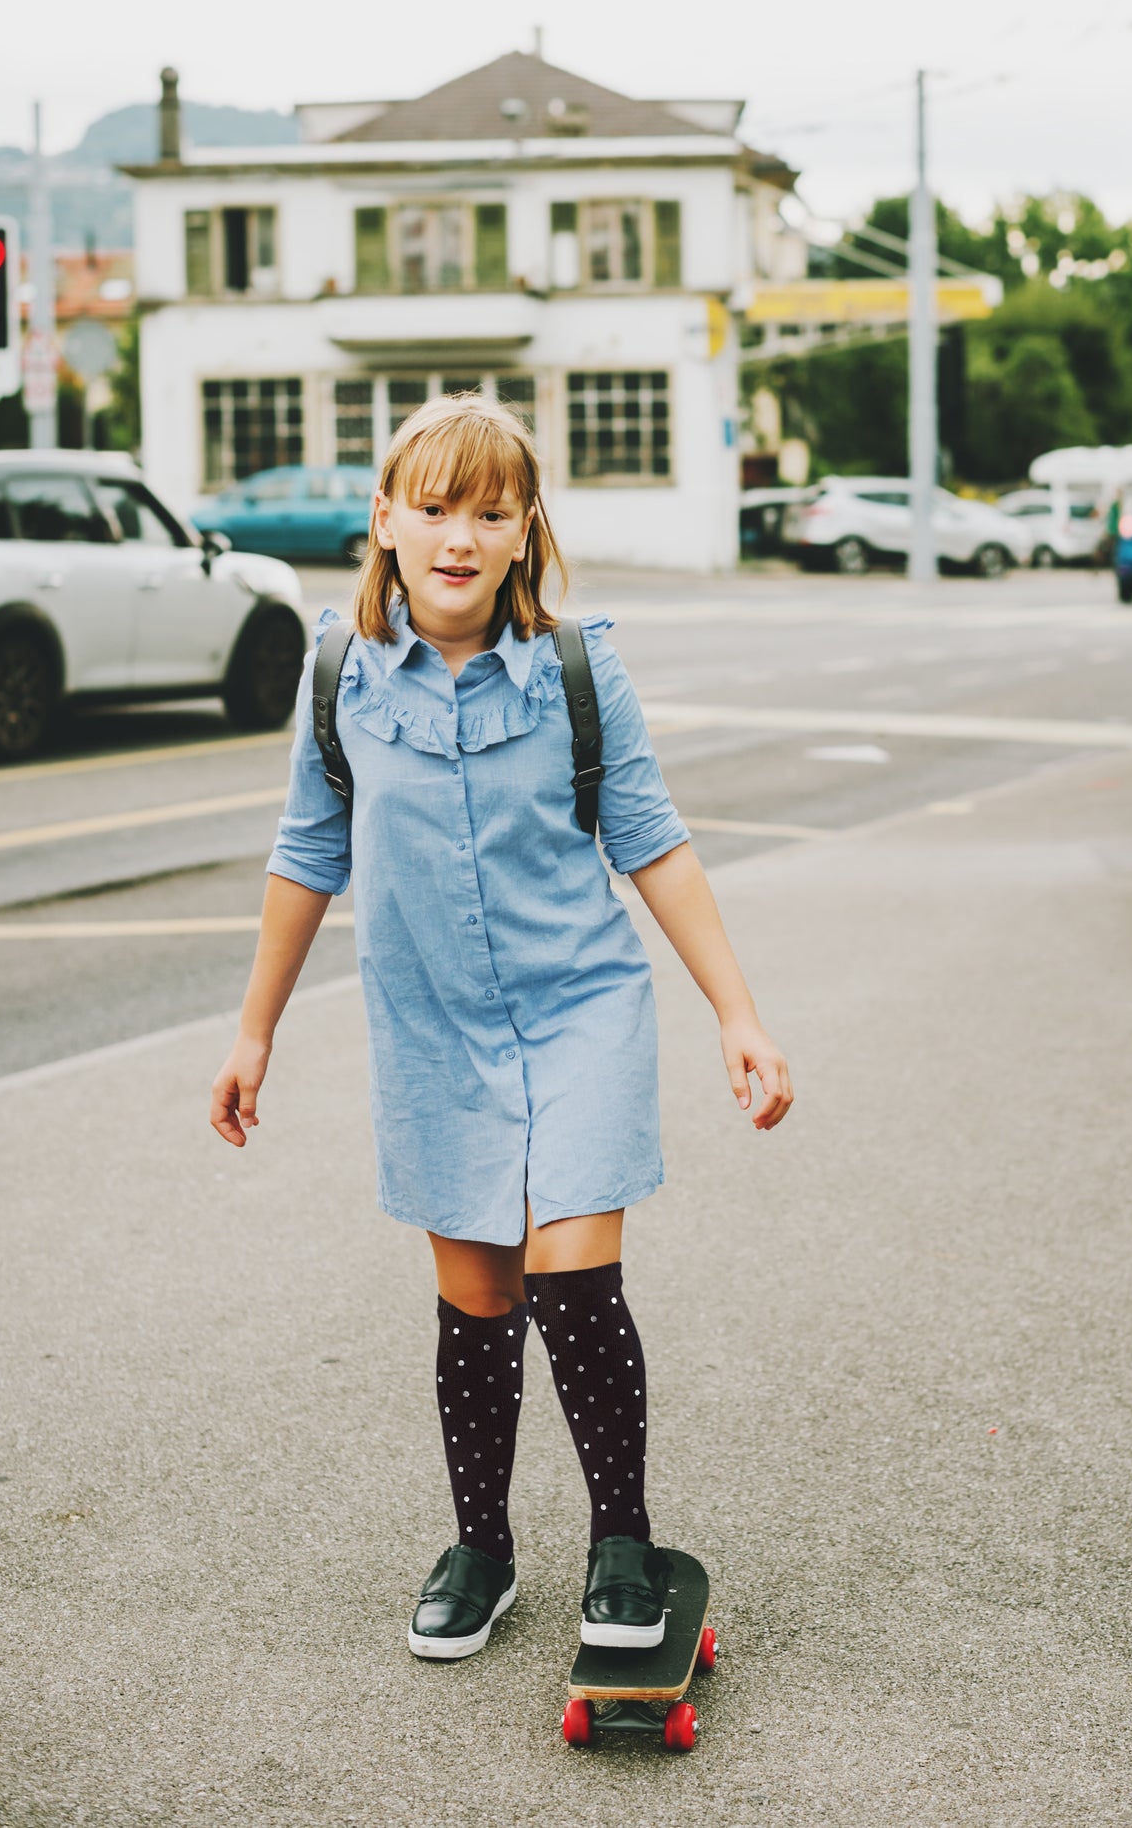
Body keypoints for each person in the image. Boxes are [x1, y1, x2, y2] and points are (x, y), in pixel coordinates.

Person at [209, 394, 794, 1663]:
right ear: (385, 520)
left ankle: (622, 1542)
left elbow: (651, 840)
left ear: (525, 527)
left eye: (488, 511)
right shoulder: (340, 676)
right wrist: (254, 1033)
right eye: (433, 508)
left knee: (571, 1278)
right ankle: (481, 1545)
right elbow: (306, 853)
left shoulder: (575, 669)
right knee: (476, 1296)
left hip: (580, 1004)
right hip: (431, 1026)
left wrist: (735, 1012)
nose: (459, 536)